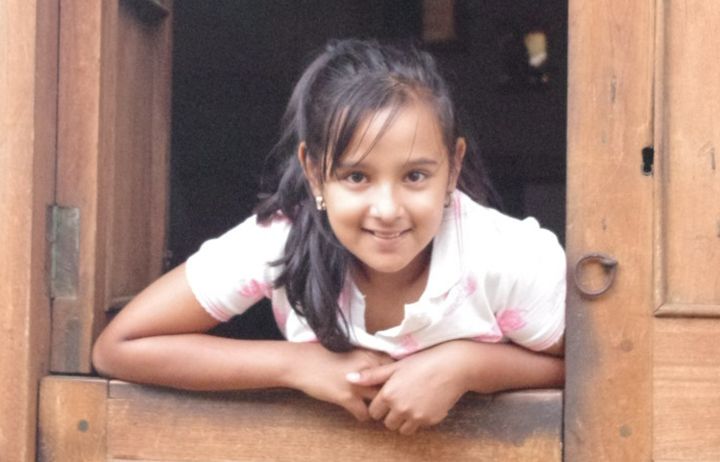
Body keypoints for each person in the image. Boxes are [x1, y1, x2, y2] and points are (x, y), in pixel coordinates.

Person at [93, 39, 565, 436]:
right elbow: (120, 348)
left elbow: (598, 368)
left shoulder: (504, 257)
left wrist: (467, 367)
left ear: (453, 167)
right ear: (315, 174)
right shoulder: (282, 241)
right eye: (357, 177)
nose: (387, 209)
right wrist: (299, 366)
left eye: (416, 175)